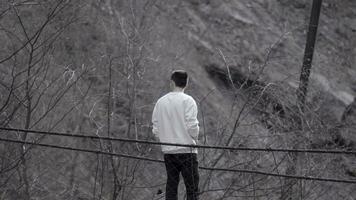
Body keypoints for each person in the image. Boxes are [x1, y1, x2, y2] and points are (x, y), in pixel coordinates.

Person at [152, 70, 200, 200]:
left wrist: (163, 140)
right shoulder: (188, 101)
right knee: (192, 188)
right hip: (187, 151)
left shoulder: (160, 102)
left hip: (168, 151)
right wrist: (196, 138)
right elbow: (192, 126)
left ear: (172, 82)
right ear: (186, 84)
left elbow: (155, 129)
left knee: (172, 185)